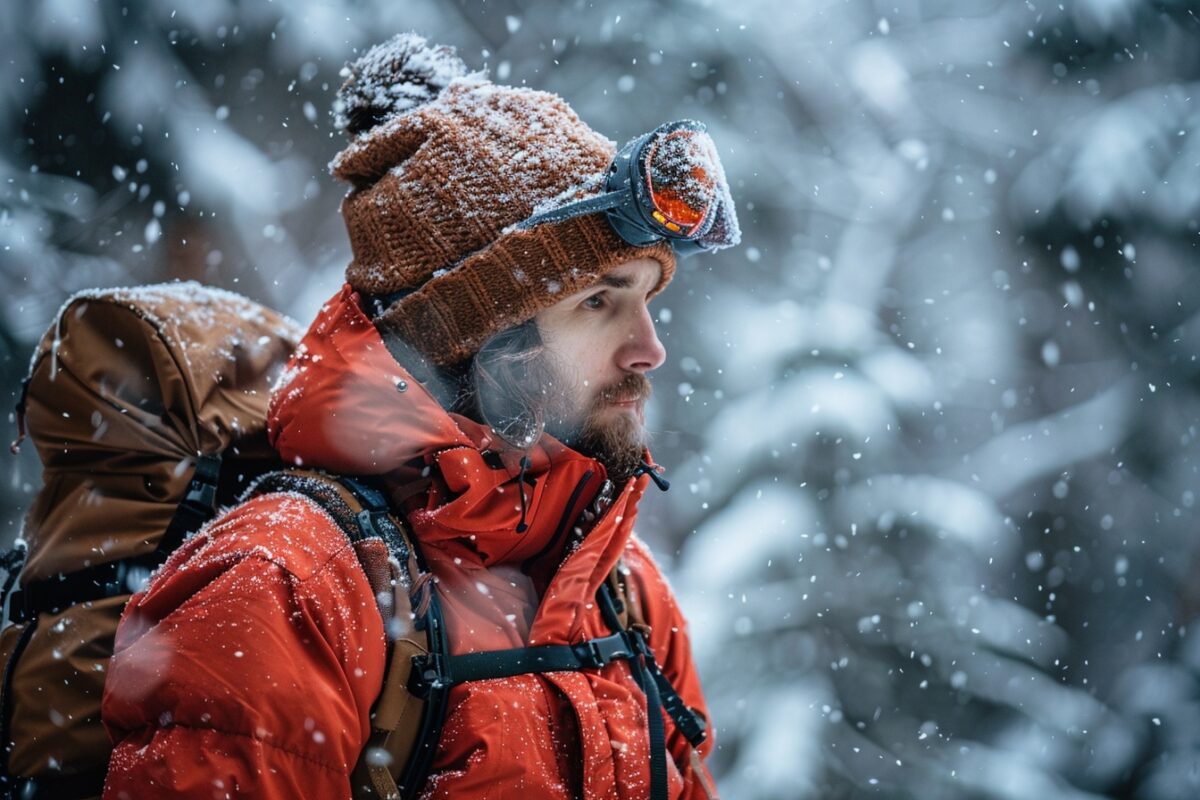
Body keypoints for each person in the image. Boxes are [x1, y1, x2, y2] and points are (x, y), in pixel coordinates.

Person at [100, 31, 738, 800]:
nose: (649, 348)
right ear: (469, 334)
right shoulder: (287, 587)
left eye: (646, 299)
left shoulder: (620, 589)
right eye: (598, 301)